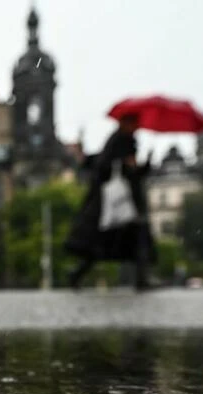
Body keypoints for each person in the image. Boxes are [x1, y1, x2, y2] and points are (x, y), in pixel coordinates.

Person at [65, 113, 156, 291]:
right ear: (126, 123)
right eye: (134, 122)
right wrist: (144, 164)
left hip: (109, 201)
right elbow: (130, 171)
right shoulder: (124, 142)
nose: (137, 126)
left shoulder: (114, 141)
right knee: (134, 237)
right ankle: (141, 279)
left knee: (104, 242)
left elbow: (96, 163)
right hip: (121, 200)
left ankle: (78, 273)